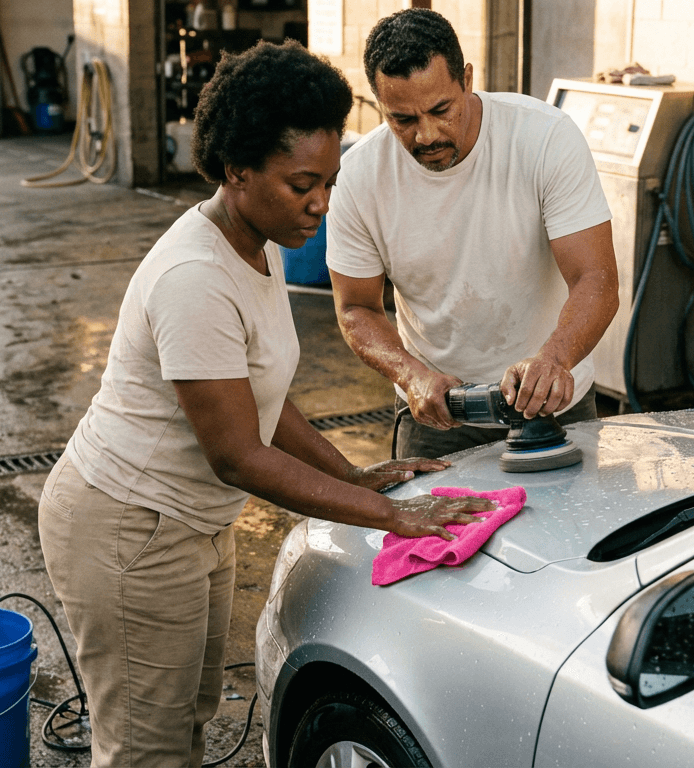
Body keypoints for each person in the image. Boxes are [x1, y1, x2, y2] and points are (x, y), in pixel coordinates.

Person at [36, 40, 492, 768]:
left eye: (329, 181)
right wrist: (390, 516)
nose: (321, 203)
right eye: (301, 184)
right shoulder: (195, 276)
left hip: (187, 523)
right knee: (144, 749)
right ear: (235, 171)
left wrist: (350, 474)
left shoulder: (263, 237)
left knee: (190, 717)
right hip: (128, 526)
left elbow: (262, 400)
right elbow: (238, 453)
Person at [327, 8, 620, 460]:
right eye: (402, 119)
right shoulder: (360, 176)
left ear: (466, 79)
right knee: (429, 530)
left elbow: (596, 280)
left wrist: (553, 361)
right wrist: (411, 375)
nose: (426, 135)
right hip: (435, 414)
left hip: (553, 404)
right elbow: (356, 308)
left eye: (441, 110)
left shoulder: (544, 138)